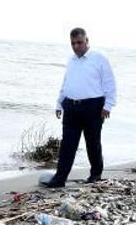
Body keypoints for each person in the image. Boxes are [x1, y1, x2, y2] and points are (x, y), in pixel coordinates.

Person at [41, 27, 117, 188]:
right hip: (71, 106)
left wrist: (108, 105)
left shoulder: (99, 59)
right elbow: (66, 83)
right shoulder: (71, 60)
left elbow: (110, 84)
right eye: (73, 43)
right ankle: (59, 179)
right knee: (67, 145)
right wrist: (59, 103)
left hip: (93, 107)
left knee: (93, 143)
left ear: (87, 41)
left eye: (79, 42)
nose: (76, 46)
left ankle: (95, 175)